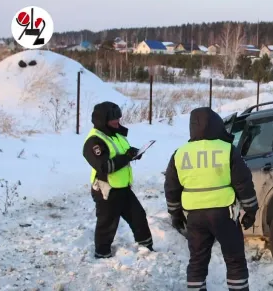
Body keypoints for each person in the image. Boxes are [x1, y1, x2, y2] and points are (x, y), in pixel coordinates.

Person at [164, 107, 258, 291]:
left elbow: (171, 187)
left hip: (194, 217)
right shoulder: (226, 149)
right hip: (224, 214)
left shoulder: (180, 153)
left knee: (197, 261)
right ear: (216, 125)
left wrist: (175, 213)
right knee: (234, 259)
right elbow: (243, 182)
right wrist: (251, 209)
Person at [83, 101, 154, 259]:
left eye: (119, 118)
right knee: (107, 224)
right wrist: (127, 157)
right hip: (106, 190)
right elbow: (104, 166)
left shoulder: (115, 134)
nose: (118, 122)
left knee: (138, 216)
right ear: (103, 120)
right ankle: (102, 254)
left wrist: (133, 153)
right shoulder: (94, 141)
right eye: (114, 119)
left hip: (123, 188)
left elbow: (122, 154)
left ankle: (147, 249)